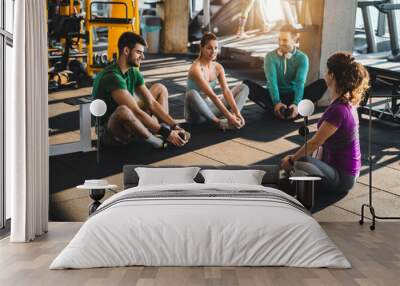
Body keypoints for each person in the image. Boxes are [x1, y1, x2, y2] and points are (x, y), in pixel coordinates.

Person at [281, 52, 370, 194]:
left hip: (342, 178)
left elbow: (315, 143)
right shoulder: (344, 103)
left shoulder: (339, 109)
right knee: (304, 156)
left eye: (327, 70)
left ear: (332, 75)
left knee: (301, 159)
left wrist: (291, 160)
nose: (325, 73)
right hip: (340, 171)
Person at [92, 32, 189, 148]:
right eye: (138, 52)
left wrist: (175, 126)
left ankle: (165, 131)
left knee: (160, 88)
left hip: (130, 121)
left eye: (142, 53)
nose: (142, 57)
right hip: (110, 130)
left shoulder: (133, 71)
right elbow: (136, 111)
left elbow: (151, 103)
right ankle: (155, 140)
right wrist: (166, 132)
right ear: (126, 51)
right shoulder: (112, 77)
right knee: (123, 110)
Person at [244, 24, 327, 120]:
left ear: (294, 39)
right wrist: (277, 102)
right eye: (279, 39)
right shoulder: (270, 57)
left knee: (322, 83)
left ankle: (293, 110)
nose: (280, 43)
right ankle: (279, 109)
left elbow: (300, 82)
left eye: (285, 40)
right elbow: (272, 82)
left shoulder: (302, 58)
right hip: (274, 96)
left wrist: (296, 103)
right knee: (247, 84)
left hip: (293, 95)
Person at [185, 32, 249, 130]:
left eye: (215, 48)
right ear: (202, 48)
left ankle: (233, 120)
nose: (213, 51)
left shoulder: (218, 67)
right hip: (196, 115)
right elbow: (212, 95)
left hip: (211, 109)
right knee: (191, 94)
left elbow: (226, 91)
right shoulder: (196, 69)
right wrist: (227, 115)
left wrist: (236, 112)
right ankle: (220, 123)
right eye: (209, 48)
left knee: (244, 87)